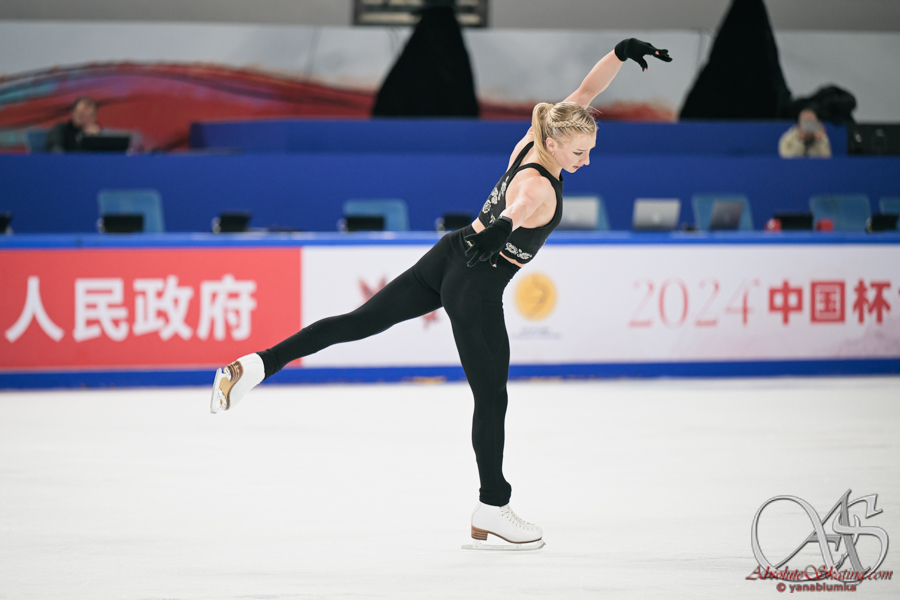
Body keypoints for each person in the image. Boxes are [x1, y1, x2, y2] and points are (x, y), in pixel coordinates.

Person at [210, 38, 672, 550]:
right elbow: (520, 204)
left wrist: (619, 54)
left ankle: (256, 365)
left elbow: (586, 90)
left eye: (590, 151)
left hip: (449, 254)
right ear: (556, 144)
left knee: (358, 322)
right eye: (580, 153)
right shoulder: (540, 184)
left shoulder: (533, 140)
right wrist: (504, 226)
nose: (586, 161)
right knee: (492, 397)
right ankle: (492, 506)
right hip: (477, 283)